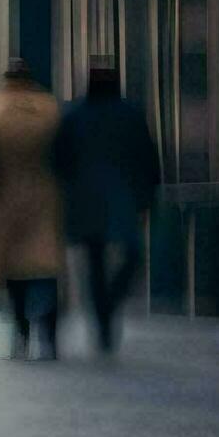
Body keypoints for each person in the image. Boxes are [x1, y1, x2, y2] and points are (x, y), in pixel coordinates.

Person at [53, 68, 160, 353]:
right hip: (121, 198)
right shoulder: (131, 114)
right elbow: (148, 157)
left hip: (85, 201)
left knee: (96, 263)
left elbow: (57, 159)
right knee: (132, 254)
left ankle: (103, 316)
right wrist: (147, 195)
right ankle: (107, 310)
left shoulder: (72, 115)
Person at [0, 58, 64, 360]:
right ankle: (50, 336)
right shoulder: (50, 109)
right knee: (46, 267)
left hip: (9, 199)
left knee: (14, 269)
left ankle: (20, 332)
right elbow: (64, 151)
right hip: (45, 198)